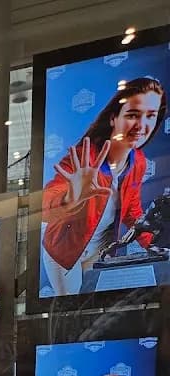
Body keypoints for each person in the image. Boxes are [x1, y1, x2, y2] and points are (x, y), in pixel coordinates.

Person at [41, 76, 166, 295]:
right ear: (113, 118)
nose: (141, 125)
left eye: (150, 116)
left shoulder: (138, 161)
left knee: (93, 309)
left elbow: (132, 211)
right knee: (70, 309)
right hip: (64, 252)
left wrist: (152, 245)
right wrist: (69, 199)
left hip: (100, 251)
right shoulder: (84, 157)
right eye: (132, 115)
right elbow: (45, 205)